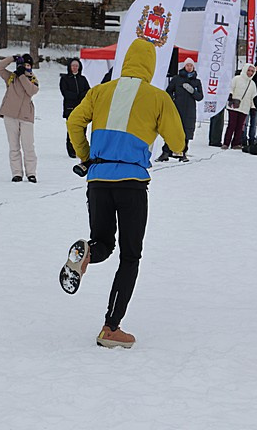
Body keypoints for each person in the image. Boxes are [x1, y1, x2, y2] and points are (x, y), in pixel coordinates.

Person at [62, 38, 186, 348]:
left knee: (103, 243)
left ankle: (86, 253)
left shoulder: (101, 91)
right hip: (132, 184)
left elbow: (75, 121)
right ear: (150, 66)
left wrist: (86, 156)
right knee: (130, 256)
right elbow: (179, 142)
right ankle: (111, 327)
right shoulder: (156, 97)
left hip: (98, 180)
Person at [0, 53, 40, 182]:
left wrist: (22, 75)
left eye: (27, 65)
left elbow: (31, 91)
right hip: (10, 115)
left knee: (28, 146)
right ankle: (17, 173)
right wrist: (11, 59)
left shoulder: (33, 79)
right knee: (14, 146)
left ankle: (31, 173)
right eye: (22, 65)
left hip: (26, 116)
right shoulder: (11, 77)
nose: (24, 67)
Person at [157, 58, 202, 162]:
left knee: (186, 131)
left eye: (191, 66)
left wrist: (192, 92)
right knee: (173, 130)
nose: (189, 68)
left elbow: (200, 97)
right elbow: (168, 91)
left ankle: (183, 152)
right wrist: (173, 100)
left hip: (190, 110)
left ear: (193, 67)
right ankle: (165, 152)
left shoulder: (196, 81)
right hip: (177, 109)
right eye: (187, 66)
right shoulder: (177, 79)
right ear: (184, 66)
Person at [60, 57, 90, 158]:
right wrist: (77, 96)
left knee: (83, 130)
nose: (74, 68)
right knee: (71, 130)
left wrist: (82, 96)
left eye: (76, 66)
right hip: (70, 108)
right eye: (73, 66)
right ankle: (71, 150)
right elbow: (65, 92)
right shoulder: (65, 79)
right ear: (69, 67)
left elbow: (88, 91)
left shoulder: (83, 79)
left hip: (82, 108)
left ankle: (82, 150)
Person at [222, 63, 257, 149]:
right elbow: (231, 88)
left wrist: (253, 107)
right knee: (232, 125)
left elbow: (253, 97)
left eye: (252, 71)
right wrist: (230, 96)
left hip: (245, 107)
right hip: (234, 106)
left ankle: (236, 143)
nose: (250, 73)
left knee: (240, 126)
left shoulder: (252, 84)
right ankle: (226, 143)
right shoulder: (237, 79)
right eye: (249, 70)